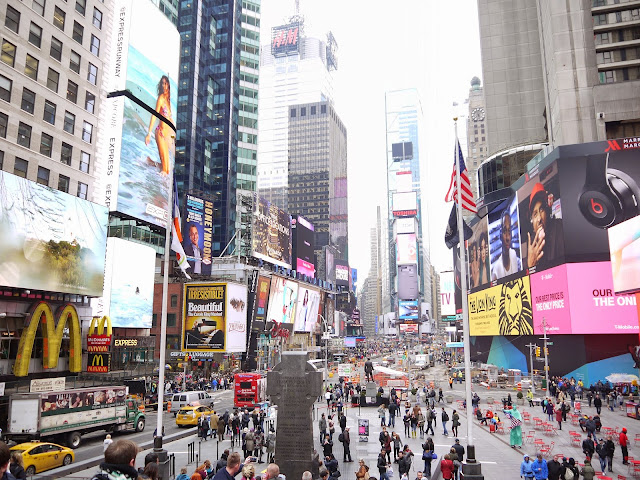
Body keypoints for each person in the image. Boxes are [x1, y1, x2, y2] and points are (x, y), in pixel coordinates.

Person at [526, 182, 564, 270]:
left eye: (541, 210)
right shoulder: (531, 244)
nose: (539, 218)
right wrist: (531, 266)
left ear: (547, 211)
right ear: (532, 221)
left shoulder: (559, 227)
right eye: (535, 214)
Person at [145, 75, 173, 175]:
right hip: (160, 133)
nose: (164, 86)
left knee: (167, 170)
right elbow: (154, 115)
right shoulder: (161, 98)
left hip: (165, 136)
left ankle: (149, 162)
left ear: (168, 85)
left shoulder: (168, 101)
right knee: (164, 170)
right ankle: (159, 186)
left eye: (165, 83)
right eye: (162, 83)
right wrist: (149, 133)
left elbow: (170, 120)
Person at [492, 210, 521, 280]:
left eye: (509, 231)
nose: (508, 238)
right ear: (500, 235)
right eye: (505, 231)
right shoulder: (496, 268)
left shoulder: (514, 255)